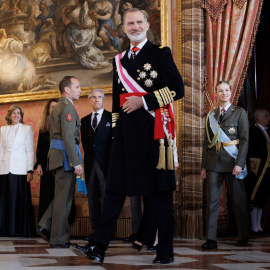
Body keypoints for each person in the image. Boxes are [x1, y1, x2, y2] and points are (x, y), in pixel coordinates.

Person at [71, 8, 184, 264]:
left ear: (146, 25)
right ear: (123, 28)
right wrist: (114, 134)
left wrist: (143, 102)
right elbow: (115, 100)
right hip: (125, 137)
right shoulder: (118, 60)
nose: (134, 27)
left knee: (159, 194)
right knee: (114, 190)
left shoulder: (159, 53)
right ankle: (97, 246)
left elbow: (178, 89)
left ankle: (165, 252)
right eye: (129, 23)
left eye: (138, 22)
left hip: (154, 134)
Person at [201, 80, 249, 249]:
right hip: (214, 163)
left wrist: (240, 164)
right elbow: (207, 142)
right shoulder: (211, 115)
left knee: (238, 201)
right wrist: (203, 166)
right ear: (216, 94)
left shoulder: (239, 113)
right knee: (212, 201)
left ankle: (243, 236)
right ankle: (211, 239)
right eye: (220, 91)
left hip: (233, 162)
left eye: (227, 90)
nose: (224, 93)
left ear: (231, 92)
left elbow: (244, 140)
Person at [38, 76, 84, 248]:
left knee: (60, 197)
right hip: (65, 158)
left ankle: (45, 222)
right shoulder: (67, 108)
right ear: (67, 89)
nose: (80, 90)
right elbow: (68, 138)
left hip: (56, 156)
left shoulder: (57, 108)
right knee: (64, 200)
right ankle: (59, 238)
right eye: (77, 87)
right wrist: (76, 163)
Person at [0, 105, 35, 236]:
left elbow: (30, 150)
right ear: (9, 116)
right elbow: (0, 150)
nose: (16, 115)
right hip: (4, 169)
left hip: (20, 169)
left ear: (21, 116)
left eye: (18, 113)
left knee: (17, 200)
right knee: (5, 200)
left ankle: (18, 230)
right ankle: (4, 229)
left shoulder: (27, 129)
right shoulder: (2, 129)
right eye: (13, 113)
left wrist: (30, 170)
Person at [81, 88, 112, 233]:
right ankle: (95, 230)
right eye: (93, 97)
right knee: (92, 198)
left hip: (105, 165)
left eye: (99, 97)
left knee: (106, 198)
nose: (96, 99)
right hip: (90, 164)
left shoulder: (111, 118)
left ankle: (106, 231)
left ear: (103, 99)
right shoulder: (84, 121)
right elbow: (85, 143)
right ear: (89, 99)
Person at [61, 0, 110, 69]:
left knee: (67, 31)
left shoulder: (74, 12)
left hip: (81, 36)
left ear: (77, 1)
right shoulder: (86, 5)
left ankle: (68, 53)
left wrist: (63, 13)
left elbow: (66, 22)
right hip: (89, 33)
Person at [245, 109, 270, 235]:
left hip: (265, 169)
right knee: (254, 198)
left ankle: (259, 226)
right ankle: (254, 227)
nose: (268, 118)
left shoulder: (265, 132)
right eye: (266, 115)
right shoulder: (254, 130)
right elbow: (252, 151)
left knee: (261, 198)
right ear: (258, 117)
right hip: (257, 169)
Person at [35, 99, 59, 221]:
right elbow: (39, 148)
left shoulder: (63, 123)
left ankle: (58, 225)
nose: (54, 109)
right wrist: (38, 164)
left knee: (58, 195)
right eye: (52, 107)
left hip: (60, 164)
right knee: (46, 194)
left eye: (56, 106)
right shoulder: (44, 127)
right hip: (46, 165)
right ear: (48, 110)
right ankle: (44, 225)